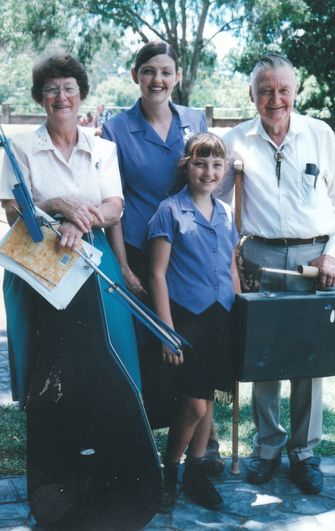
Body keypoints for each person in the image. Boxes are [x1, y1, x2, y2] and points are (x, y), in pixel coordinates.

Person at [0, 53, 147, 522]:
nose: (61, 97)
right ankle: (55, 482)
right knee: (52, 374)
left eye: (68, 88)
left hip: (94, 276)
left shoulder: (102, 148)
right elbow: (12, 208)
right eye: (51, 90)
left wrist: (80, 219)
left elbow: (115, 205)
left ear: (81, 95)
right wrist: (61, 205)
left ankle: (108, 478)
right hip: (40, 273)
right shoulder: (18, 147)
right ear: (39, 98)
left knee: (103, 365)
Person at [222, 53, 335, 494]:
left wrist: (333, 256)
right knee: (264, 356)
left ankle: (304, 452)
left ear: (296, 92)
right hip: (259, 256)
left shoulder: (319, 134)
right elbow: (216, 202)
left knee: (308, 359)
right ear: (252, 95)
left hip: (316, 261)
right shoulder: (236, 140)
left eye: (282, 90)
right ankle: (268, 447)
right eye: (265, 91)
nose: (275, 99)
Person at [102, 41, 224, 473]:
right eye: (149, 71)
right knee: (153, 356)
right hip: (140, 254)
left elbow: (213, 173)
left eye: (166, 71)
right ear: (136, 75)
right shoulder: (116, 128)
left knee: (197, 353)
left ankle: (203, 452)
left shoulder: (193, 120)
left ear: (176, 77)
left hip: (188, 258)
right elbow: (112, 200)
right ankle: (147, 453)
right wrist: (122, 264)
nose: (158, 79)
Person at [148, 132, 241, 512]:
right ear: (187, 165)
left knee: (208, 400)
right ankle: (169, 472)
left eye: (217, 165)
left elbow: (231, 265)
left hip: (221, 317)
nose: (209, 171)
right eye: (201, 163)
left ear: (224, 171)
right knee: (194, 407)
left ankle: (197, 472)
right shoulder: (169, 211)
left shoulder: (225, 212)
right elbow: (157, 274)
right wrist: (166, 332)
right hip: (187, 320)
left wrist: (240, 313)